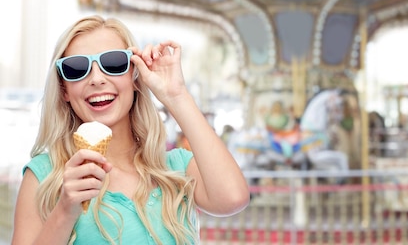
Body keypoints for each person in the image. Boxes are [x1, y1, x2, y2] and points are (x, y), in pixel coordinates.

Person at [12, 15, 250, 244]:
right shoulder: (45, 176)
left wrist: (176, 95)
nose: (96, 79)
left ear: (135, 76)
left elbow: (233, 198)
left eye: (113, 63)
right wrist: (65, 210)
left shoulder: (175, 168)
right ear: (64, 90)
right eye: (76, 68)